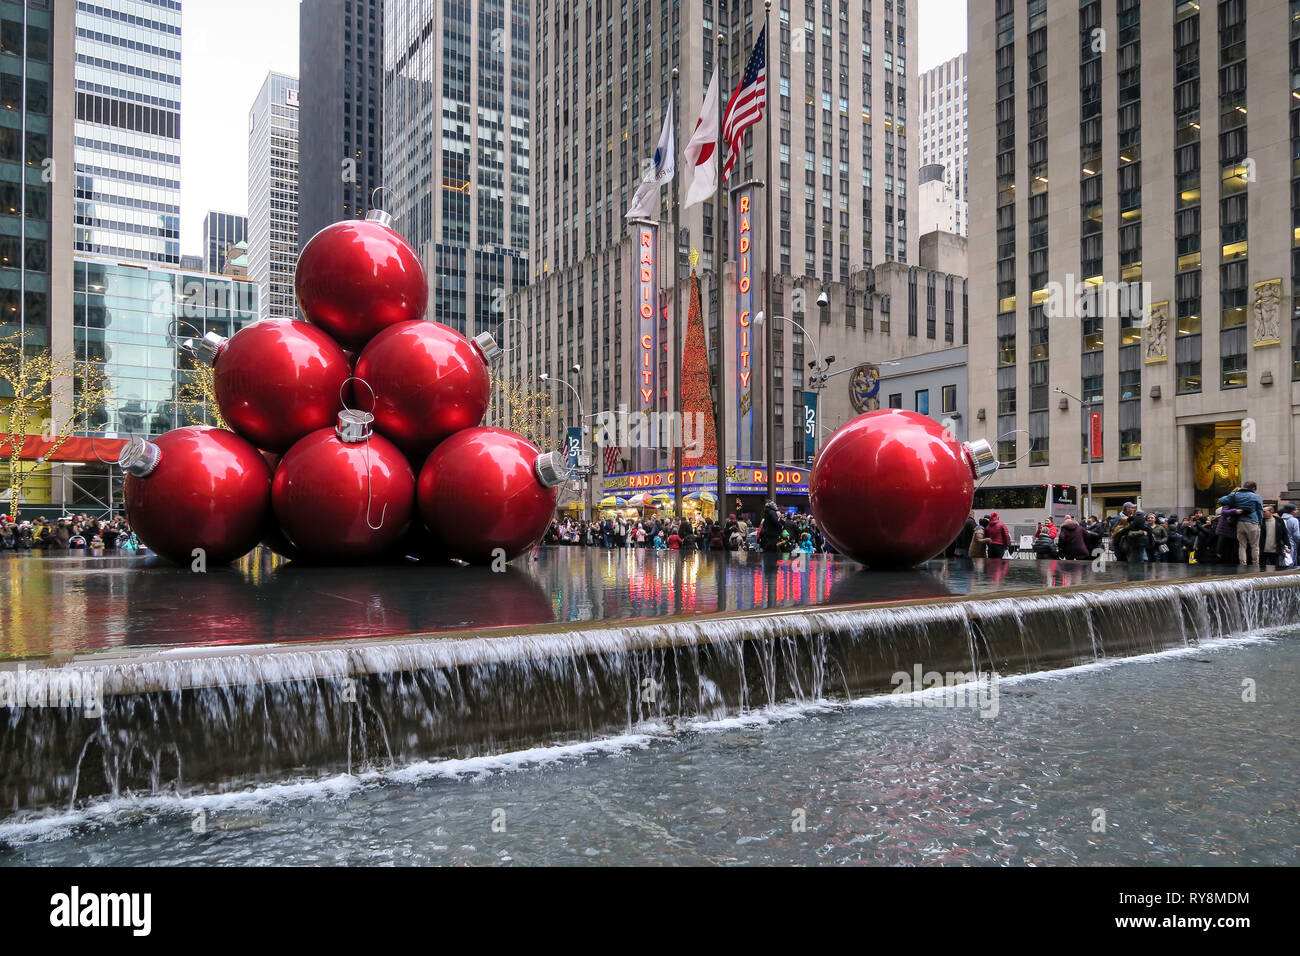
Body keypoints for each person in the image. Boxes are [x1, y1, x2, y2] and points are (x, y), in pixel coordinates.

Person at [1219, 481, 1264, 569]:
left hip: (1240, 523)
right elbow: (1260, 511)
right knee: (1254, 545)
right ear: (1254, 488)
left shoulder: (1235, 495)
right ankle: (1255, 564)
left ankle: (1242, 564)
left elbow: (1221, 500)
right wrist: (1260, 523)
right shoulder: (1256, 496)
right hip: (1253, 523)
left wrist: (1232, 497)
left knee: (1242, 545)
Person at [1280, 503, 1300, 569]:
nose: (1297, 511)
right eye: (1295, 510)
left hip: (1280, 544)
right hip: (1291, 543)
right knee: (1291, 562)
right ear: (1291, 511)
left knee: (1282, 562)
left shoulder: (1279, 519)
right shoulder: (1294, 520)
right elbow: (1296, 535)